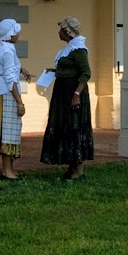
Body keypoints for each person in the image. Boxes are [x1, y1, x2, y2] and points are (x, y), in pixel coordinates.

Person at [40, 15, 94, 179]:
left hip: (72, 93)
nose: (59, 33)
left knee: (74, 127)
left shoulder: (78, 49)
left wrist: (76, 94)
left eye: (61, 30)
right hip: (62, 93)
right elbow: (70, 69)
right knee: (65, 126)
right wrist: (56, 72)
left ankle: (79, 169)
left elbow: (86, 73)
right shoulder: (69, 48)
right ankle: (72, 167)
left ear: (68, 32)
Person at [0, 18, 32, 179]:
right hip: (7, 93)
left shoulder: (5, 48)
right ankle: (7, 170)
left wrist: (21, 68)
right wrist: (19, 101)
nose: (18, 34)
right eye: (16, 32)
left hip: (4, 92)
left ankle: (10, 168)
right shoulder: (6, 50)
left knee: (11, 131)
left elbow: (9, 68)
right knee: (8, 132)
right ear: (10, 34)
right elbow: (9, 77)